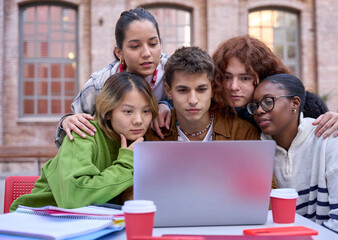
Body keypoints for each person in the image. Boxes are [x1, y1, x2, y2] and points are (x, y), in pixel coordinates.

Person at [10, 72, 158, 211]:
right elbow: (74, 198)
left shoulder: (142, 142)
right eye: (128, 111)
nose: (139, 120)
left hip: (98, 225)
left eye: (146, 111)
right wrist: (126, 164)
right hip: (38, 221)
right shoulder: (83, 134)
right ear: (108, 112)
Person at [247, 73, 338, 239]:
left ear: (295, 103)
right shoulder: (257, 149)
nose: (259, 110)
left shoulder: (329, 135)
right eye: (255, 105)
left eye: (268, 102)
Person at [211, 35, 338, 153]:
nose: (233, 87)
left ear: (264, 75)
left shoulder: (306, 104)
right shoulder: (216, 112)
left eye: (245, 78)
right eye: (227, 77)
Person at [55, 7, 170, 148]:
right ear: (119, 52)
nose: (146, 53)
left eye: (153, 44)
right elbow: (72, 133)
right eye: (135, 46)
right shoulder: (99, 84)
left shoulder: (174, 71)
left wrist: (167, 105)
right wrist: (67, 122)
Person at [145, 46, 260, 142]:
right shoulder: (153, 135)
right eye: (182, 90)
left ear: (213, 89)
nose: (193, 100)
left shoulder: (242, 133)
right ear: (168, 91)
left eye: (201, 90)